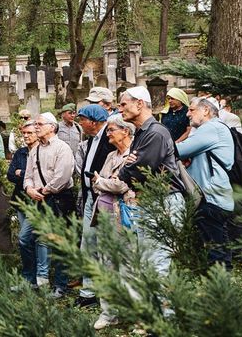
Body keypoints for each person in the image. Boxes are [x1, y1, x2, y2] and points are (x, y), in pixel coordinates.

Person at [117, 86, 186, 278]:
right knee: (149, 263)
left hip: (164, 203)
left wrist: (126, 168)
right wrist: (129, 165)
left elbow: (137, 171)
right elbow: (132, 166)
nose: (119, 108)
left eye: (123, 104)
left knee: (157, 265)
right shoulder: (142, 132)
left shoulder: (155, 133)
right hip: (151, 201)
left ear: (139, 104)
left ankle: (164, 309)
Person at [88, 114, 139, 330]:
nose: (107, 134)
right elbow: (96, 183)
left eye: (111, 130)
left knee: (128, 266)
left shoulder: (135, 155)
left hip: (124, 218)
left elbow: (121, 185)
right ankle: (109, 313)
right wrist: (103, 182)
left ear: (125, 132)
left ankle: (137, 314)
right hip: (104, 218)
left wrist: (102, 181)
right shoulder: (111, 155)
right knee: (106, 266)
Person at [176, 97, 236, 268]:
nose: (188, 114)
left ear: (206, 111)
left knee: (215, 249)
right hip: (215, 194)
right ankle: (220, 280)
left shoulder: (212, 128)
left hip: (210, 197)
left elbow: (179, 150)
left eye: (192, 109)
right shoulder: (213, 128)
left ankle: (219, 285)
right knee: (218, 243)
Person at [24, 112, 76, 297]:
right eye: (35, 124)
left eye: (40, 124)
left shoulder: (63, 148)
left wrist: (43, 191)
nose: (36, 126)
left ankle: (60, 286)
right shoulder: (35, 150)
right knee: (25, 238)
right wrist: (30, 189)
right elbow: (28, 175)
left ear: (52, 127)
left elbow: (62, 177)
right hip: (38, 199)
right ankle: (30, 281)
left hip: (58, 198)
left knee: (58, 241)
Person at [73, 104, 114, 306]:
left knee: (105, 246)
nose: (79, 123)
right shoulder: (91, 139)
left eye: (82, 120)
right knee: (87, 244)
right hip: (91, 196)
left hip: (106, 198)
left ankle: (107, 295)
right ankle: (88, 293)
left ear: (93, 122)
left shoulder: (109, 137)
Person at [9, 121, 42, 285]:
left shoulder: (41, 151)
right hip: (21, 200)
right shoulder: (20, 153)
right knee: (26, 240)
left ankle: (35, 276)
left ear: (37, 133)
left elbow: (39, 178)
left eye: (30, 133)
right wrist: (25, 176)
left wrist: (21, 173)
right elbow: (10, 175)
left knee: (29, 238)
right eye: (24, 134)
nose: (27, 136)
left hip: (37, 201)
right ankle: (30, 275)